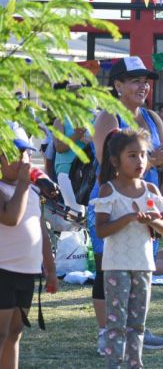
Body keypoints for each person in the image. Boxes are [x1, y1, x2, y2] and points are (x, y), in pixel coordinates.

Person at [89, 56, 163, 354]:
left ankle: (135, 329)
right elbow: (105, 164)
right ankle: (106, 333)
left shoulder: (153, 116)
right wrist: (152, 159)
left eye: (146, 80)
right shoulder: (108, 118)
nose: (143, 86)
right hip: (111, 198)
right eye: (136, 80)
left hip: (144, 197)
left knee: (141, 266)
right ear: (117, 85)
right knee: (107, 267)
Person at [91, 128, 163, 368]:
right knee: (116, 324)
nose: (140, 161)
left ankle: (134, 364)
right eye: (132, 155)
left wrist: (152, 221)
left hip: (144, 266)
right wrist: (127, 218)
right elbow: (101, 230)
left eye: (143, 155)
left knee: (137, 325)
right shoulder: (109, 190)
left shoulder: (151, 191)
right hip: (116, 266)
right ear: (116, 160)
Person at [0, 128, 58, 368]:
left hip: (27, 273)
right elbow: (11, 217)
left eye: (25, 153)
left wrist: (51, 269)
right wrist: (24, 185)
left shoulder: (32, 190)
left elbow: (41, 230)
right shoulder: (7, 189)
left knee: (15, 334)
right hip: (3, 271)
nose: (23, 159)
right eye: (15, 153)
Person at [52, 82, 89, 215]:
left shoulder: (92, 119)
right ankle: (74, 235)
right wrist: (76, 135)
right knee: (76, 213)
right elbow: (59, 147)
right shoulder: (60, 120)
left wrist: (89, 139)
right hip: (67, 170)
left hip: (88, 171)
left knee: (90, 213)